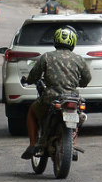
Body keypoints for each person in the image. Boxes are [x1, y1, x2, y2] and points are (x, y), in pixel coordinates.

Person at [21, 27, 91, 160]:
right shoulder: (79, 59)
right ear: (73, 42)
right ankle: (73, 145)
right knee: (76, 116)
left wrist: (28, 80)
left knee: (32, 111)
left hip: (51, 98)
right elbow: (87, 78)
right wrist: (79, 83)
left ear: (55, 40)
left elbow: (34, 75)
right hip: (73, 98)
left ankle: (32, 145)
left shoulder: (47, 56)